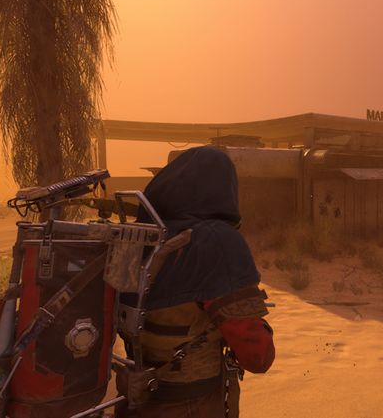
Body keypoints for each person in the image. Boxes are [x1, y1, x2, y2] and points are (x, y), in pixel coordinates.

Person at [115, 146, 275, 418]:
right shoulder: (218, 241)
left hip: (132, 400)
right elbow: (257, 354)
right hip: (191, 404)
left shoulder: (138, 236)